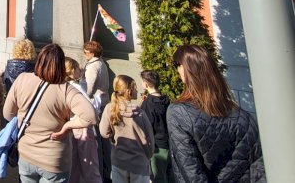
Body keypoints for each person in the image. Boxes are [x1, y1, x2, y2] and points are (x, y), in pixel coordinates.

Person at [167, 45, 265, 182]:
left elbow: (191, 173)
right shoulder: (241, 115)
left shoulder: (178, 113)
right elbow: (258, 166)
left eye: (177, 65)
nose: (178, 70)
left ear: (185, 69)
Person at [3, 43, 97, 182]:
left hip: (26, 154)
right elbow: (91, 117)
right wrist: (67, 126)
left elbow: (7, 114)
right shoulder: (66, 89)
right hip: (54, 159)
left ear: (39, 60)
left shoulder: (22, 78)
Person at [99, 75, 154, 183]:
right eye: (135, 88)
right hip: (139, 163)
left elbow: (104, 132)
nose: (137, 90)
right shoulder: (140, 113)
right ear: (128, 92)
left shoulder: (110, 109)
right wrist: (149, 155)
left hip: (119, 161)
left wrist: (113, 138)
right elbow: (150, 139)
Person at [65, 58, 102, 183]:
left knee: (74, 166)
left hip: (71, 127)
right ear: (72, 71)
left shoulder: (64, 86)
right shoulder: (75, 87)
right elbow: (91, 110)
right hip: (83, 127)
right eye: (77, 68)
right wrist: (98, 98)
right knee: (90, 167)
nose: (80, 70)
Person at [140, 70, 171, 183]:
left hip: (155, 148)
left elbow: (145, 127)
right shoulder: (166, 100)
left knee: (158, 178)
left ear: (146, 84)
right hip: (168, 144)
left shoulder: (148, 104)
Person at [81, 41, 110, 111]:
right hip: (103, 100)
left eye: (85, 52)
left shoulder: (92, 67)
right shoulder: (101, 62)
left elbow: (89, 87)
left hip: (96, 103)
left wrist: (83, 101)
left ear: (92, 54)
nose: (83, 54)